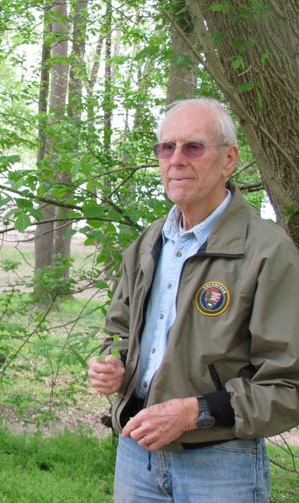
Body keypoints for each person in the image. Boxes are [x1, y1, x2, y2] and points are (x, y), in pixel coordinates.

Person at [88, 98, 299, 502]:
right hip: (137, 455)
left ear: (229, 159)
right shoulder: (149, 242)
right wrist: (114, 364)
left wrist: (193, 413)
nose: (176, 159)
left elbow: (288, 384)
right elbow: (118, 330)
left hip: (220, 463)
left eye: (193, 147)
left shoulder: (268, 251)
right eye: (167, 148)